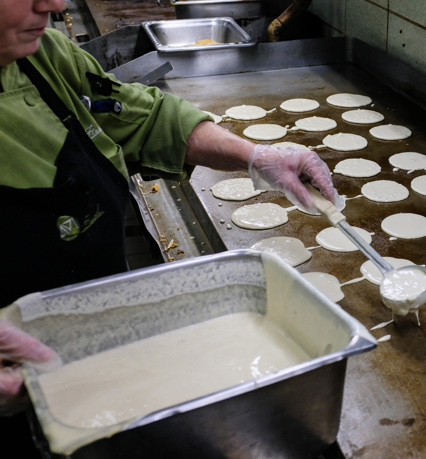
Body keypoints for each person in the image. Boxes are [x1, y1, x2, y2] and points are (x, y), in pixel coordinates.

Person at [0, 0, 344, 453]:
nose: (54, 4)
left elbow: (131, 113)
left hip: (99, 352)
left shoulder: (39, 55)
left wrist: (256, 157)